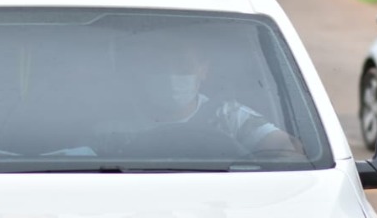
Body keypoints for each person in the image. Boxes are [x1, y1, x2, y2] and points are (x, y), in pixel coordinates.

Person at [114, 32, 302, 156]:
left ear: (203, 70)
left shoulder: (230, 117)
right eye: (160, 66)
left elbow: (290, 150)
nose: (171, 76)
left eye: (183, 66)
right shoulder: (115, 122)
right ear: (142, 71)